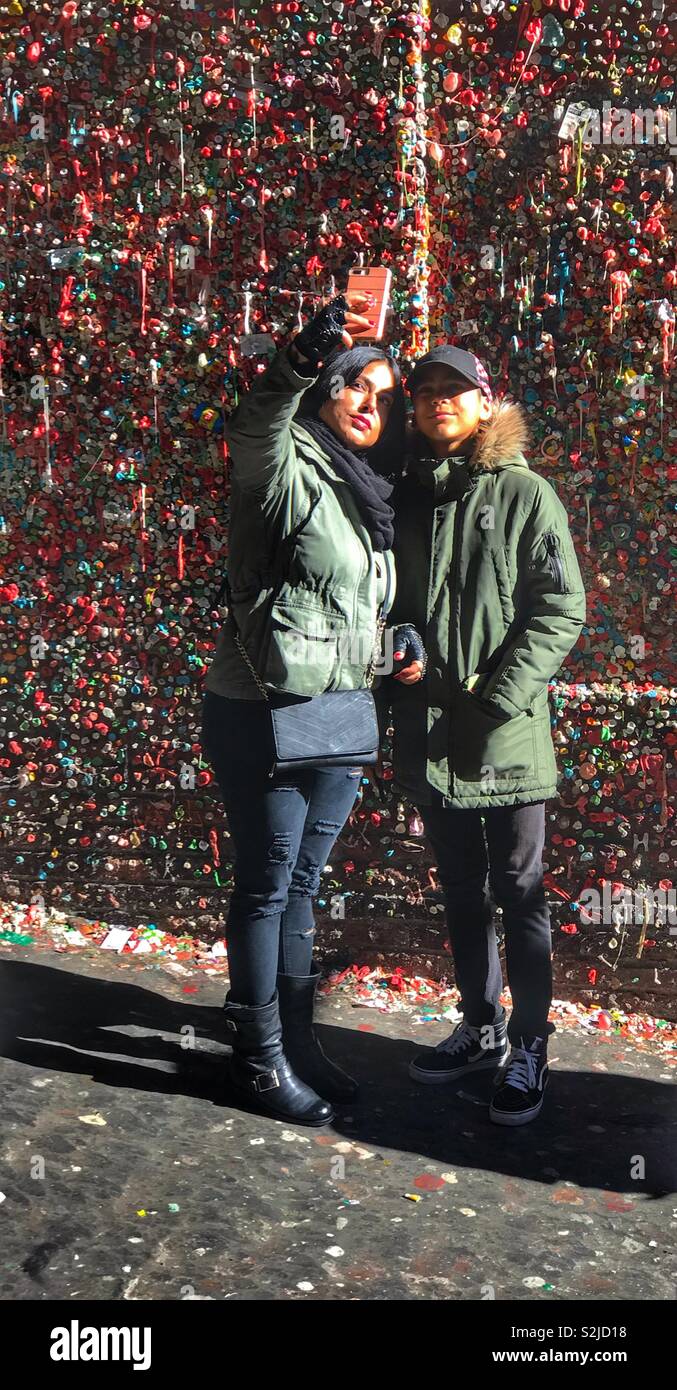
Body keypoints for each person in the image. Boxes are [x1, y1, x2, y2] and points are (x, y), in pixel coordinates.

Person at [201, 295, 423, 1126]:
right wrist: (299, 356)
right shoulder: (286, 463)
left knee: (302, 884)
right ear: (324, 392)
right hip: (263, 707)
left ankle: (294, 1041)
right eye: (356, 387)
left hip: (337, 713)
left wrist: (399, 637)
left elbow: (353, 603)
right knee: (265, 887)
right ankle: (255, 1063)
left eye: (385, 394)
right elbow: (256, 424)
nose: (373, 404)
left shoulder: (369, 495)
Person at [379, 346, 586, 1125]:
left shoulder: (525, 493)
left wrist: (495, 699)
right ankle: (480, 1021)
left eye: (453, 391)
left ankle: (529, 1044)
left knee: (520, 893)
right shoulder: (403, 497)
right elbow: (385, 597)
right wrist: (395, 642)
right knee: (462, 891)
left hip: (505, 735)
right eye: (425, 391)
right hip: (426, 728)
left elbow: (559, 608)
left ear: (483, 401)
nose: (438, 402)